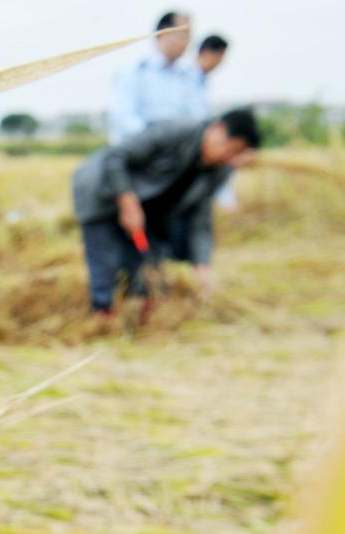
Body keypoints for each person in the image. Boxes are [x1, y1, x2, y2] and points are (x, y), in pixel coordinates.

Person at [72, 109, 262, 318]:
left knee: (148, 259)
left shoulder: (218, 169)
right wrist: (127, 201)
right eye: (230, 148)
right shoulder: (176, 131)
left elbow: (201, 220)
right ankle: (101, 315)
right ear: (217, 129)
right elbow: (115, 157)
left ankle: (138, 313)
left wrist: (202, 266)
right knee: (105, 256)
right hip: (101, 191)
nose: (228, 157)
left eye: (236, 155)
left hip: (148, 206)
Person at [108, 11, 195, 145]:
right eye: (183, 35)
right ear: (165, 33)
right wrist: (157, 140)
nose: (187, 42)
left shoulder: (186, 77)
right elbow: (125, 120)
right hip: (138, 155)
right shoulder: (135, 72)